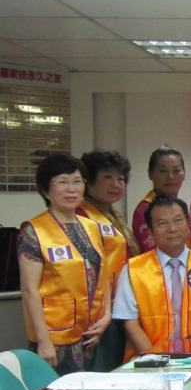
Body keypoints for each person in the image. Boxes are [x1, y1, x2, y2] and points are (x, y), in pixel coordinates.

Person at [19, 154, 111, 374]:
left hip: (91, 334)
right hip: (55, 337)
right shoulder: (34, 231)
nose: (72, 189)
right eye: (62, 182)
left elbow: (102, 274)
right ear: (45, 190)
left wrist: (107, 315)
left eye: (77, 181)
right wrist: (43, 341)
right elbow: (29, 290)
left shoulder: (92, 227)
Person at [113, 195, 191, 361]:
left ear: (189, 224)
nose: (172, 228)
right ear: (150, 231)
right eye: (162, 223)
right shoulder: (134, 269)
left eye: (178, 220)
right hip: (148, 362)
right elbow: (130, 323)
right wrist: (156, 359)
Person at [77, 149, 139, 371]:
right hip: (99, 311)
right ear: (89, 181)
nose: (116, 184)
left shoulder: (112, 215)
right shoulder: (82, 215)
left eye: (120, 179)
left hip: (118, 305)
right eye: (107, 177)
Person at [131, 146, 187, 253]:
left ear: (184, 174)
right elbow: (153, 254)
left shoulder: (180, 207)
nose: (170, 176)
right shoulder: (145, 209)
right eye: (162, 171)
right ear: (150, 174)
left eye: (176, 170)